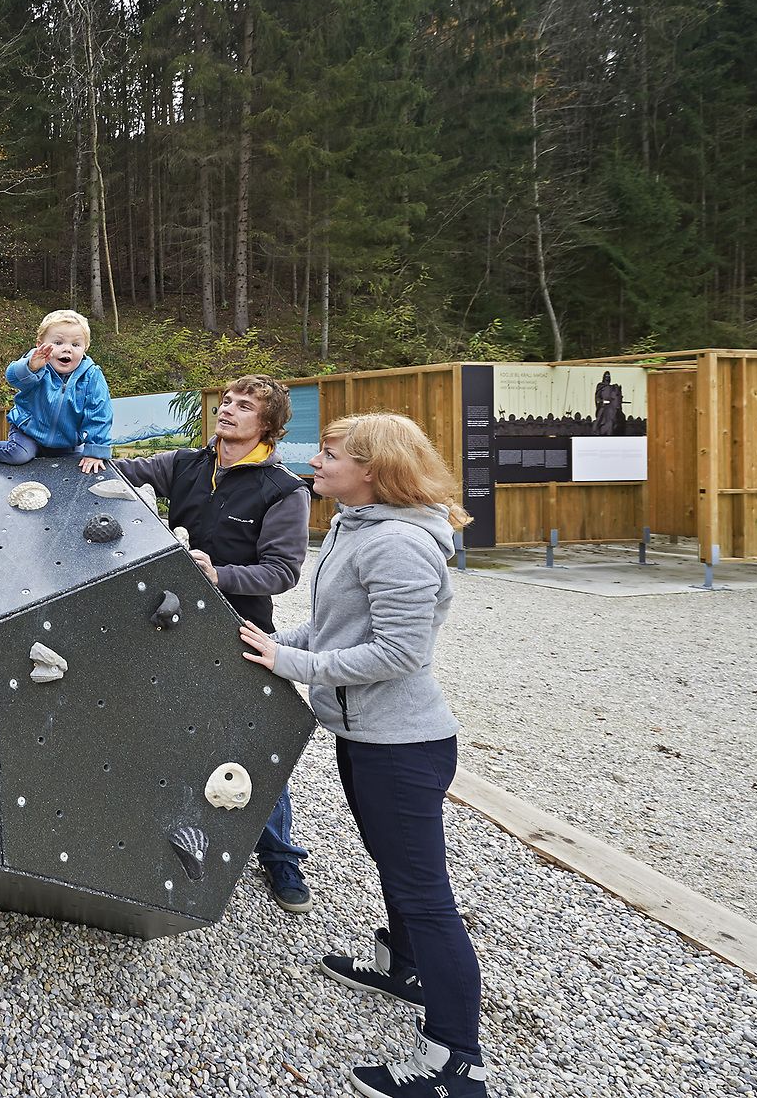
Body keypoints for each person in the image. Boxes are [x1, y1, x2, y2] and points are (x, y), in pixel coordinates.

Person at [237, 413, 488, 1098]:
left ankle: (456, 1061)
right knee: (396, 869)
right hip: (366, 734)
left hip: (402, 745)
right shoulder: (356, 524)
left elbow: (401, 652)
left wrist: (290, 660)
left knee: (425, 894)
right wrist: (263, 641)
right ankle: (404, 968)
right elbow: (336, 626)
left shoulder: (400, 543)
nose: (314, 461)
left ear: (372, 469)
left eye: (328, 453)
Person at [112, 376, 316, 912]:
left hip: (241, 632)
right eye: (225, 402)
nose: (227, 411)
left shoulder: (284, 490)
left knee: (245, 744)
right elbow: (110, 472)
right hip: (170, 625)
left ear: (267, 427)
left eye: (243, 406)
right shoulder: (184, 465)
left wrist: (220, 575)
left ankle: (281, 861)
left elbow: (282, 571)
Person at [0, 308, 112, 472]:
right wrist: (30, 367)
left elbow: (99, 413)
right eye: (58, 343)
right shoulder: (38, 362)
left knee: (77, 468)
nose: (67, 349)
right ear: (40, 344)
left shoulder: (92, 376)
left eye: (75, 344)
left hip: (66, 441)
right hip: (29, 432)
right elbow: (13, 378)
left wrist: (95, 450)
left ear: (85, 348)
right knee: (19, 455)